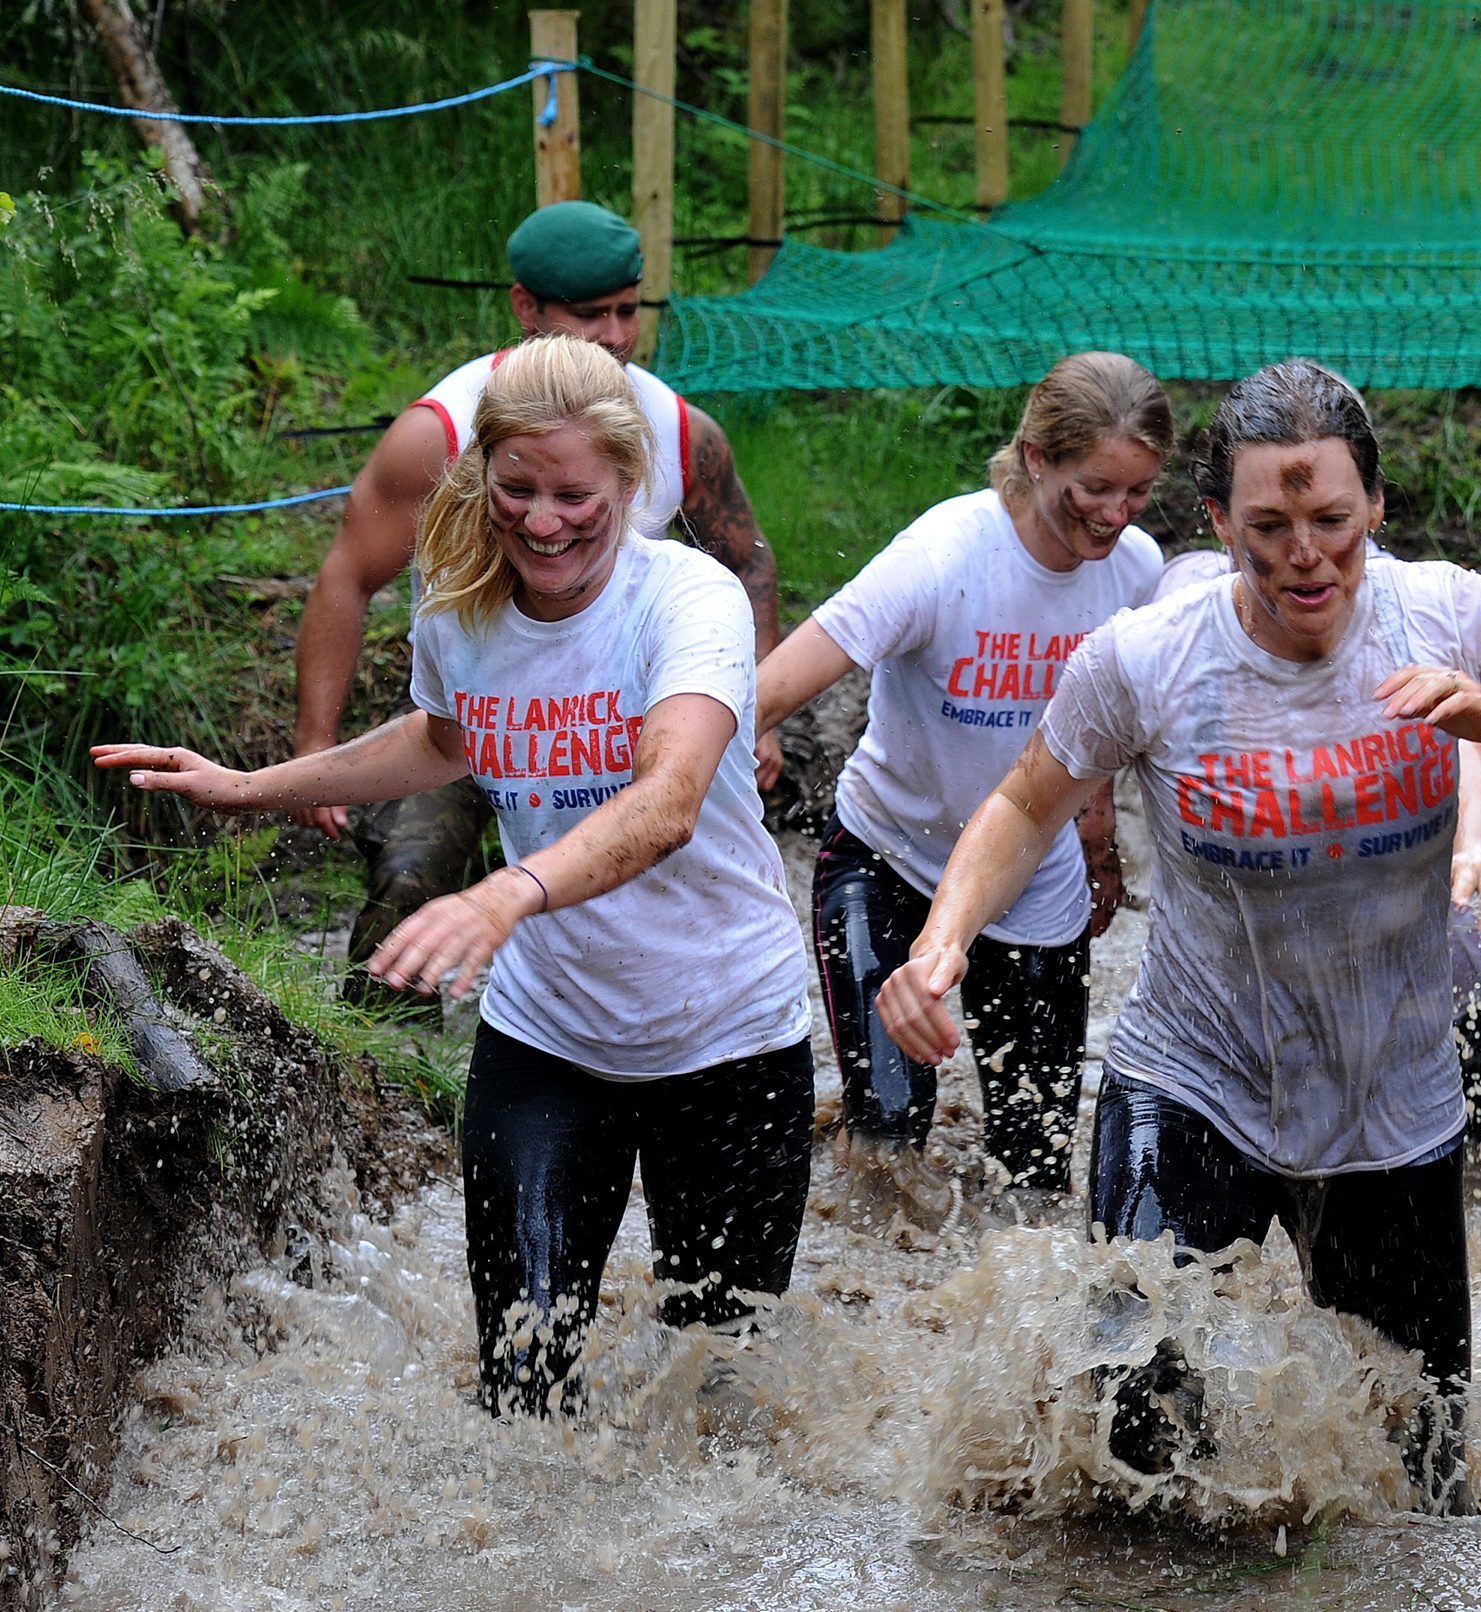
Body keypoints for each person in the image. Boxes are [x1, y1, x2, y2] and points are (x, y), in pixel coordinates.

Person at [874, 359, 1481, 1508]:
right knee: (1135, 1424)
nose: (1306, 554)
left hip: (1388, 1104)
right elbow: (1023, 802)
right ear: (1216, 519)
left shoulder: (1450, 611)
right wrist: (941, 941)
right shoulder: (1150, 657)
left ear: (1375, 510)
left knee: (1420, 1479)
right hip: (1192, 1079)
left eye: (1332, 521)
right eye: (1268, 524)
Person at [100, 336, 814, 1417]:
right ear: (483, 475)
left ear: (629, 482)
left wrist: (505, 892)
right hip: (548, 1036)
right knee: (522, 1388)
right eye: (517, 488)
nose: (542, 521)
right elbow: (446, 740)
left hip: (728, 1035)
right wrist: (253, 785)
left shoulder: (688, 603)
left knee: (720, 1383)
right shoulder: (462, 599)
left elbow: (669, 803)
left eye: (574, 494)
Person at [292, 201, 786, 991]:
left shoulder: (680, 429)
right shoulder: (440, 433)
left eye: (629, 310)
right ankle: (389, 1088)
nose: (617, 335)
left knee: (644, 897)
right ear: (526, 309)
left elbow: (746, 558)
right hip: (476, 706)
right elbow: (347, 575)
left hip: (621, 718)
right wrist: (315, 745)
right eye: (590, 315)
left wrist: (760, 709)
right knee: (409, 879)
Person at [754, 352, 1171, 1213]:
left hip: (1033, 883)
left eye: (1137, 493)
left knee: (1037, 1165)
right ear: (1034, 456)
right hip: (890, 865)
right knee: (891, 1129)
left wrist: (1100, 848)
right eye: (1095, 487)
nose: (1114, 515)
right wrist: (728, 732)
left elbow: (1100, 725)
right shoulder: (946, 554)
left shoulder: (1135, 569)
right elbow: (794, 669)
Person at [1152, 546, 1481, 1154]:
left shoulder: (1388, 606)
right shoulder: (1187, 611)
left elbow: (1468, 745)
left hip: (1455, 989)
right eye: (1272, 529)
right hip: (1280, 1014)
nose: (1304, 561)